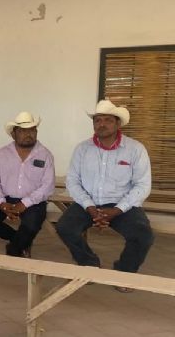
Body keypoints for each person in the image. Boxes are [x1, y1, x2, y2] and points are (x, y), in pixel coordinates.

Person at [56, 100, 153, 288]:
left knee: (143, 235)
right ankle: (89, 266)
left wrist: (117, 210)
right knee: (64, 227)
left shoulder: (135, 149)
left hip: (122, 205)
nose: (101, 124)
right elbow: (73, 181)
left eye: (108, 120)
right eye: (97, 120)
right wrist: (90, 207)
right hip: (88, 204)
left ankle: (124, 273)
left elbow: (142, 185)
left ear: (117, 124)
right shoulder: (82, 149)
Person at [0, 112, 55, 258]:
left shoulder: (45, 154)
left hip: (34, 201)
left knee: (31, 225)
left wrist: (25, 203)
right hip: (6, 199)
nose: (28, 134)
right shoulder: (1, 154)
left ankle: (14, 248)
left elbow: (47, 185)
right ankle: (20, 240)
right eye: (23, 131)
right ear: (13, 134)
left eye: (32, 130)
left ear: (36, 132)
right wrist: (1, 203)